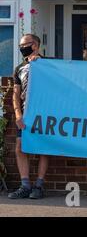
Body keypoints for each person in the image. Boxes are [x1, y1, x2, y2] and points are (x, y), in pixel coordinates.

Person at [8, 34, 48, 199]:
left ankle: (39, 185)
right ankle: (25, 185)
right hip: (26, 113)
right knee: (20, 146)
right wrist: (18, 114)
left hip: (46, 112)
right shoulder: (19, 68)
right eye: (20, 44)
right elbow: (16, 95)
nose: (21, 47)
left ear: (35, 45)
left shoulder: (49, 64)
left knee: (44, 148)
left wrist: (39, 64)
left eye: (25, 44)